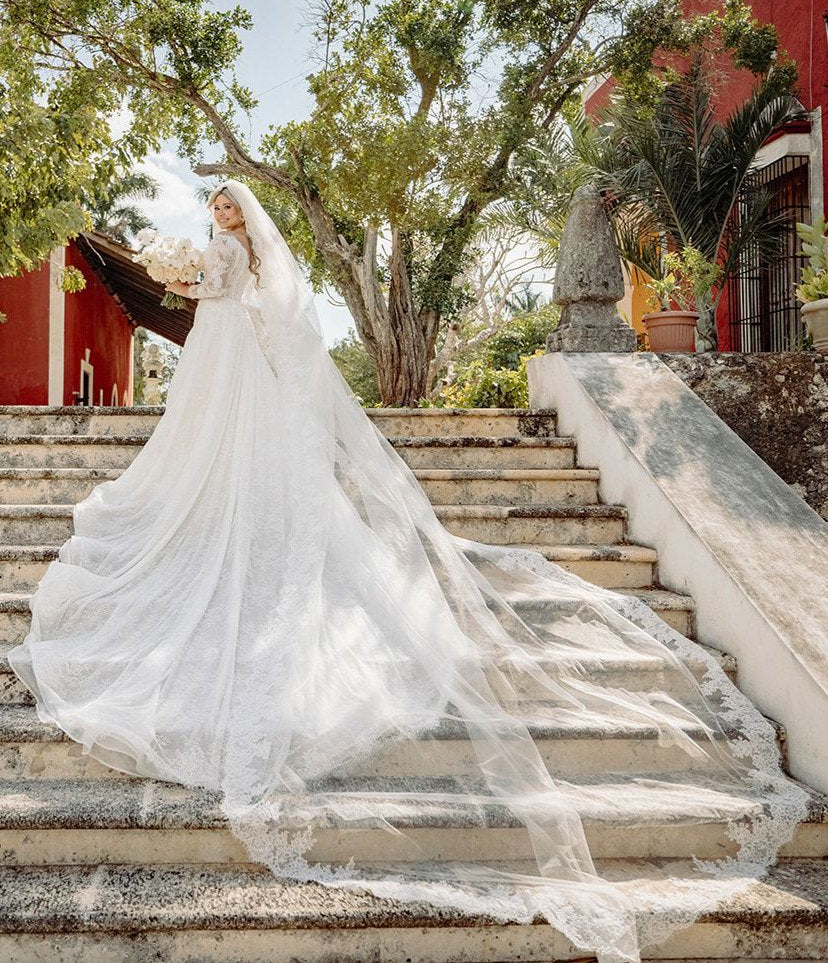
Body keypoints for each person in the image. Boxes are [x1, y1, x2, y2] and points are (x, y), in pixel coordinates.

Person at [7, 179, 807, 963]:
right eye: (215, 204)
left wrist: (181, 276)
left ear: (242, 214)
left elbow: (236, 303)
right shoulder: (237, 253)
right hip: (220, 362)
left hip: (231, 360)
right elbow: (230, 303)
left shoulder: (237, 253)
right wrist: (189, 278)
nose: (221, 212)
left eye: (228, 205)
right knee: (205, 454)